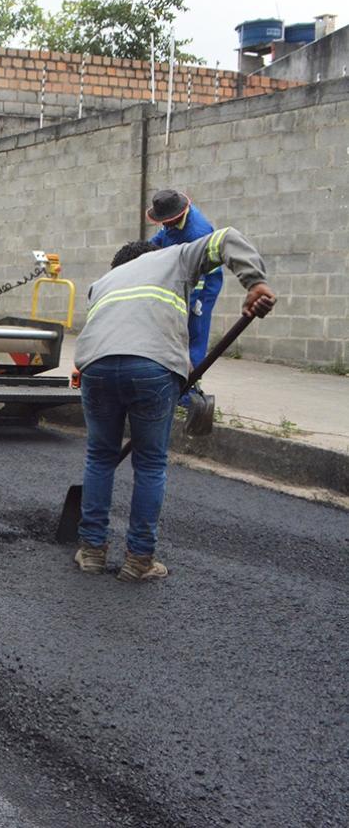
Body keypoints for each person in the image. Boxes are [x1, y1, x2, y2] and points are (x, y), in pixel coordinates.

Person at [70, 229, 276, 582]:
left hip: (96, 367)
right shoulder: (176, 256)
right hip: (152, 367)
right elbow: (225, 238)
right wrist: (254, 282)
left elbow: (112, 332)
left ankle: (91, 551)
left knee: (100, 456)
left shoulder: (101, 282)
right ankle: (138, 561)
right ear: (153, 253)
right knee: (149, 463)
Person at [146, 189, 220, 405]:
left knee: (193, 334)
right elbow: (161, 238)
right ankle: (172, 383)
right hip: (181, 279)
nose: (164, 224)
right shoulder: (172, 222)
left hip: (202, 286)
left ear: (179, 215)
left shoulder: (197, 232)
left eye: (167, 221)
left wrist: (191, 303)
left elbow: (201, 273)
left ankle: (187, 392)